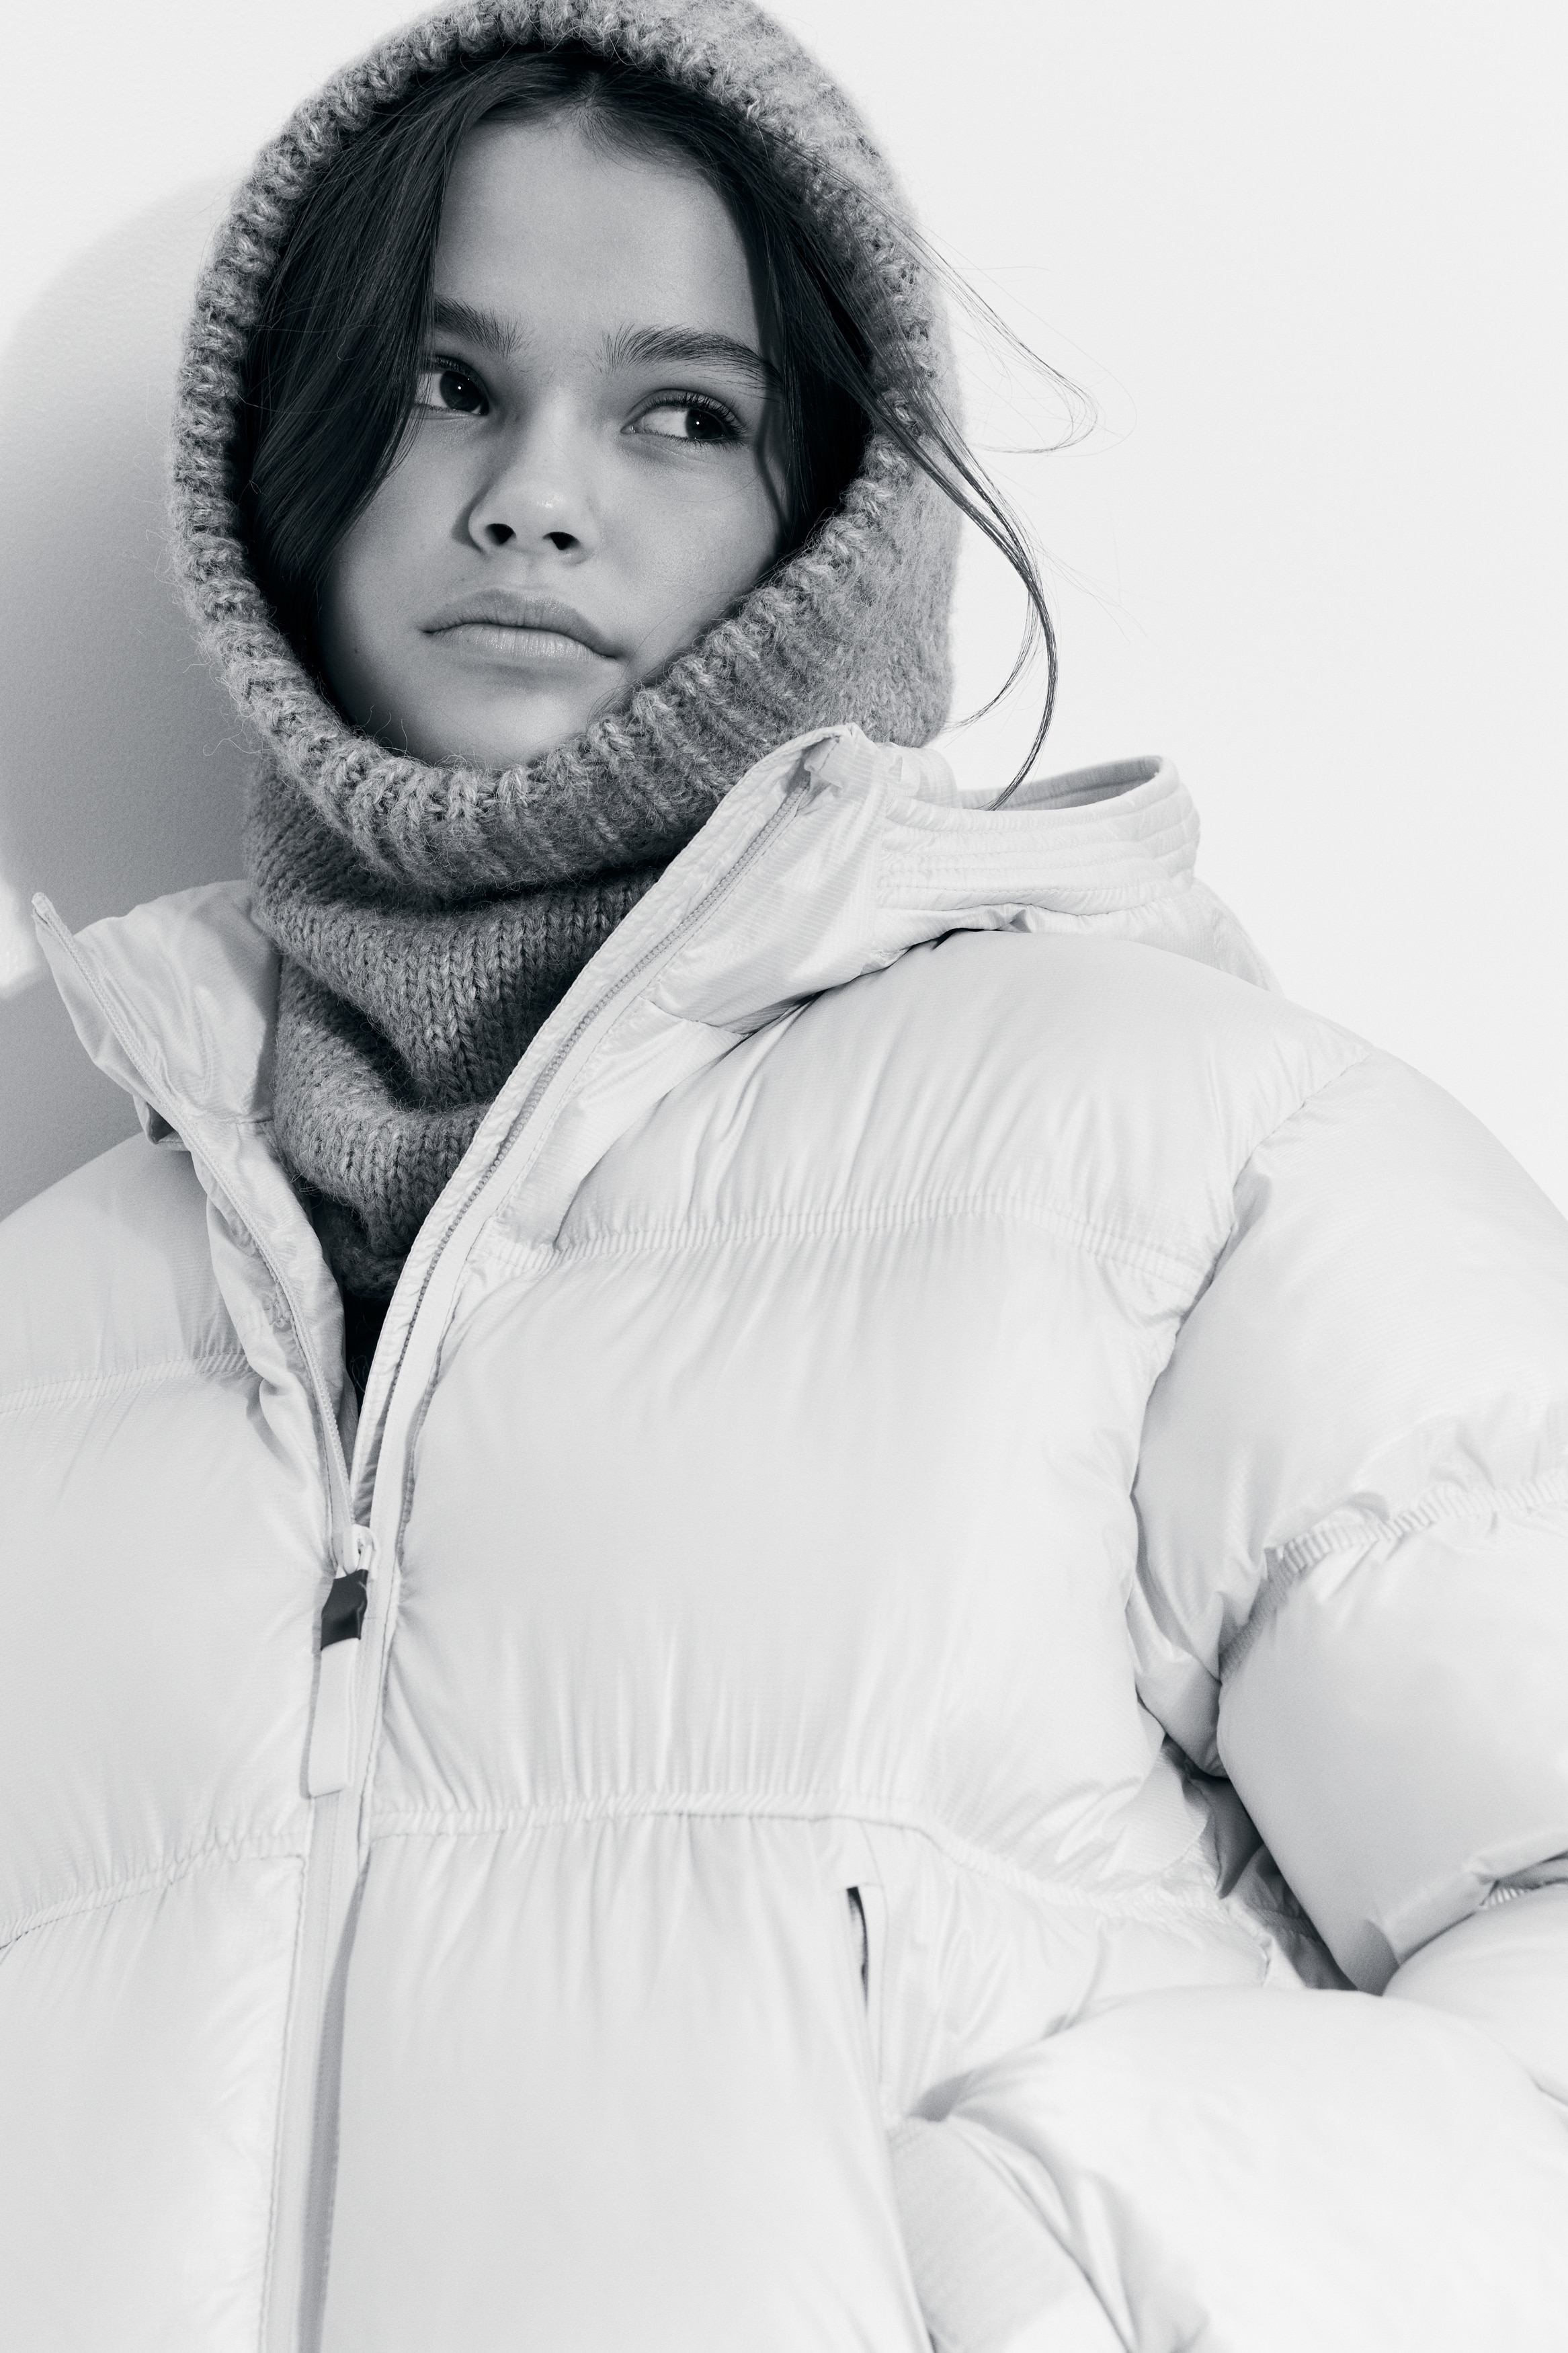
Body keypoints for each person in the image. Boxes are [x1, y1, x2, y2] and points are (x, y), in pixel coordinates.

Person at [2, 2, 1566, 2346]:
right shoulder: (49, 1323)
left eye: (683, 412)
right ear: (283, 466)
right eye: (441, 384)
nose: (536, 493)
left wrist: (1058, 2272)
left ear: (831, 508)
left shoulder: (1182, 1148)